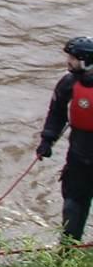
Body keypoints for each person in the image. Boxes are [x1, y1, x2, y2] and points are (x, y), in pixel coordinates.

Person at [36, 37, 93, 244]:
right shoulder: (68, 83)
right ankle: (68, 252)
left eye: (72, 57)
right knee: (72, 207)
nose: (68, 61)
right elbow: (57, 113)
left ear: (86, 60)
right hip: (79, 160)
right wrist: (47, 140)